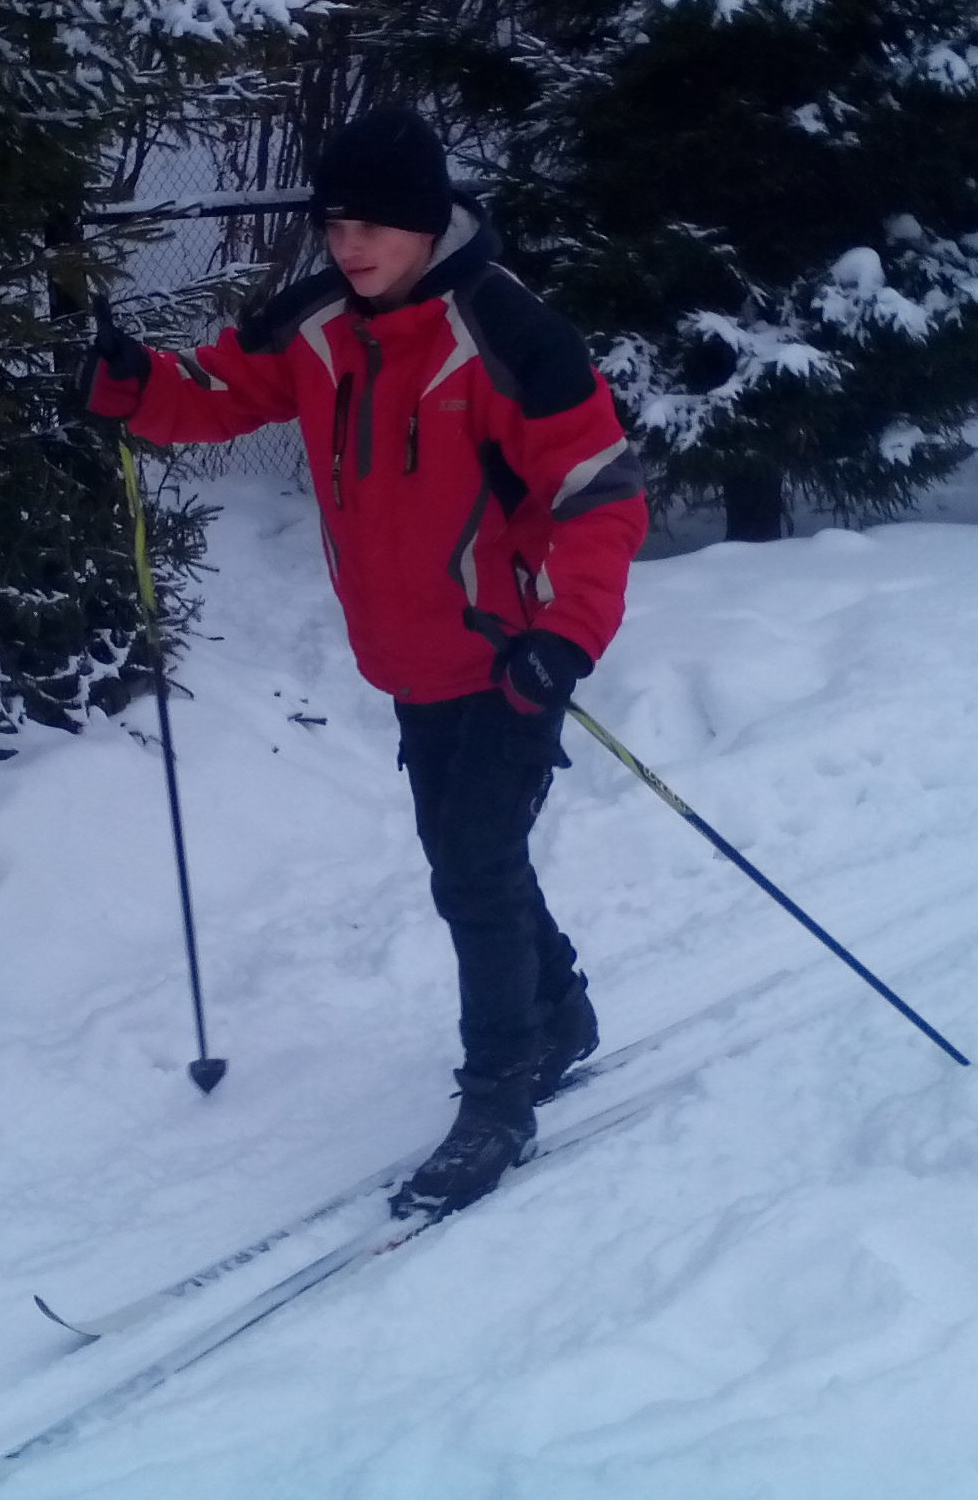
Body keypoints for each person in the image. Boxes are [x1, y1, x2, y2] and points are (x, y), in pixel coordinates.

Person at [81, 106, 648, 1216]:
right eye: (335, 226)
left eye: (372, 227)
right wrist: (135, 384)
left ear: (426, 222)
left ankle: (499, 1097)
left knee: (472, 866)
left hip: (510, 655)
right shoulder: (318, 326)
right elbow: (220, 392)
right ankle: (562, 1013)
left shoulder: (505, 331)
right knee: (468, 851)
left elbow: (600, 492)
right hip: (409, 657)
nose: (348, 247)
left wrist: (564, 633)